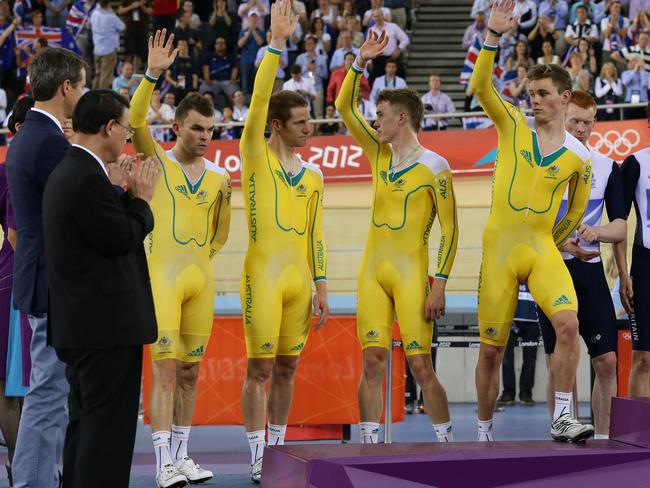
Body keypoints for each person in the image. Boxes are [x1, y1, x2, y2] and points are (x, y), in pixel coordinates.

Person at [470, 0, 594, 443]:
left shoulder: (580, 157)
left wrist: (556, 241)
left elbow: (577, 210)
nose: (533, 100)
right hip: (499, 248)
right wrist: (493, 36)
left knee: (569, 325)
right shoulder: (513, 126)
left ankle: (562, 416)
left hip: (541, 248)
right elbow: (482, 88)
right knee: (491, 350)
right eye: (531, 93)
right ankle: (483, 432)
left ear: (564, 98)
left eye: (542, 94)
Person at [336, 29, 459, 445]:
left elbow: (452, 230)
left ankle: (445, 445)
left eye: (382, 116)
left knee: (422, 366)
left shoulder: (436, 166)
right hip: (372, 272)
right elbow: (342, 106)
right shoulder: (378, 153)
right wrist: (359, 61)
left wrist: (439, 285)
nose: (375, 122)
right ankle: (369, 448)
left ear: (401, 118)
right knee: (372, 362)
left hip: (412, 275)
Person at [131, 29, 232, 488]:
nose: (204, 137)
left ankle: (182, 456)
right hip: (163, 279)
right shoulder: (159, 160)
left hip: (200, 280)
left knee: (191, 372)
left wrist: (202, 257)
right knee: (166, 370)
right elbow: (135, 120)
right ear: (176, 128)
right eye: (196, 128)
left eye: (210, 131)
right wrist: (152, 73)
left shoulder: (219, 178)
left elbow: (221, 233)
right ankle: (161, 464)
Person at [43, 90, 159, 488]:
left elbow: (99, 234)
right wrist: (142, 201)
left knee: (86, 427)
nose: (126, 139)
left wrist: (117, 193)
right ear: (110, 127)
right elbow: (120, 238)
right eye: (125, 129)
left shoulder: (75, 172)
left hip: (84, 327)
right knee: (107, 436)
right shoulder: (83, 177)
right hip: (105, 330)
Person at [239, 0, 329, 482]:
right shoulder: (255, 154)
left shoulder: (314, 175)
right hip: (263, 276)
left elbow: (316, 234)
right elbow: (256, 103)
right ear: (276, 126)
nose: (309, 128)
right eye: (300, 122)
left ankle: (276, 448)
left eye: (309, 120)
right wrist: (275, 43)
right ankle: (256, 453)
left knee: (288, 368)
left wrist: (322, 285)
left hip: (299, 282)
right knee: (258, 368)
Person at [6, 47, 86, 488]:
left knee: (50, 392)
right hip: (50, 282)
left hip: (41, 278)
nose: (84, 92)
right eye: (82, 83)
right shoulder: (47, 142)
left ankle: (36, 479)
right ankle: (33, 482)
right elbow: (80, 202)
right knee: (49, 393)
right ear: (66, 87)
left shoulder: (31, 136)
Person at [537, 91, 626, 439]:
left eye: (588, 122)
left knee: (606, 362)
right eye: (575, 120)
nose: (582, 128)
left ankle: (605, 438)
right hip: (550, 270)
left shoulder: (606, 167)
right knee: (559, 364)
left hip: (589, 272)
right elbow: (528, 224)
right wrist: (562, 243)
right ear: (563, 116)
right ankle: (561, 431)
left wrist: (596, 231)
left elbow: (620, 226)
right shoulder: (543, 163)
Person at [0, 96, 35, 487]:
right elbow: (15, 234)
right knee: (10, 380)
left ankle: (28, 460)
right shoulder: (11, 170)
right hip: (13, 284)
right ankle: (19, 462)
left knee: (29, 382)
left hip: (25, 280)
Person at [614, 102, 650, 400]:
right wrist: (624, 273)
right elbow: (618, 223)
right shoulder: (636, 162)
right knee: (644, 358)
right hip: (645, 266)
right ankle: (641, 436)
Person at [497, 284, 540, 405]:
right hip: (510, 321)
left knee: (530, 359)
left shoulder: (536, 275)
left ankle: (526, 393)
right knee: (506, 358)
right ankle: (508, 393)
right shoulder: (512, 273)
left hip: (533, 322)